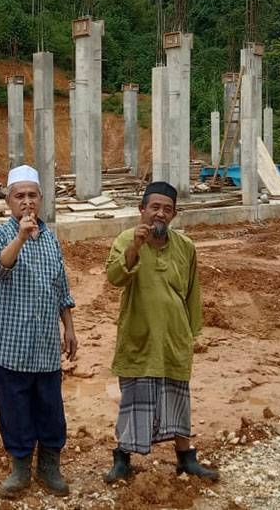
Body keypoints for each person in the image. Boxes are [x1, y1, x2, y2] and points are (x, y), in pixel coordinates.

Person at [102, 181, 219, 483]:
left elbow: (192, 293)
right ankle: (122, 459)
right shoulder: (125, 239)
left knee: (178, 400)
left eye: (167, 209)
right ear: (141, 210)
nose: (160, 214)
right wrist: (134, 248)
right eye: (154, 207)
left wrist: (190, 335)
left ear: (174, 215)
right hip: (139, 337)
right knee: (133, 400)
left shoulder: (185, 247)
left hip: (173, 339)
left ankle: (185, 458)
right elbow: (115, 277)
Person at [0, 164, 78, 498]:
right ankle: (20, 468)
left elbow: (60, 288)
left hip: (45, 348)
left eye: (32, 195)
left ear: (41, 199)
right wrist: (21, 237)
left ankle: (50, 466)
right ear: (8, 201)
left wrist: (69, 328)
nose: (27, 202)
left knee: (50, 408)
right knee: (14, 409)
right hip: (9, 347)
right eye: (19, 196)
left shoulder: (51, 240)